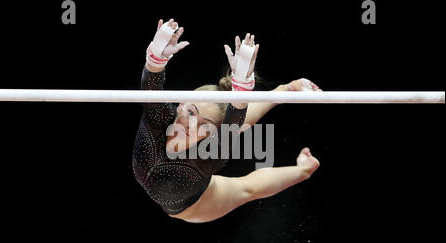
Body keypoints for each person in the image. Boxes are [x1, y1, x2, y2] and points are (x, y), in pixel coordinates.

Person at [133, 18, 321, 223]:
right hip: (215, 135)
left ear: (211, 133)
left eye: (204, 125)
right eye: (191, 112)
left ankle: (304, 169)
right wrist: (155, 60)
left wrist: (242, 89)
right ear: (181, 103)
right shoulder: (160, 118)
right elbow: (150, 87)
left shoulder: (208, 156)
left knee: (248, 188)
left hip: (195, 205)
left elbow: (234, 120)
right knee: (232, 128)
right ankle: (285, 89)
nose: (192, 125)